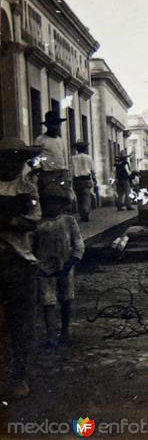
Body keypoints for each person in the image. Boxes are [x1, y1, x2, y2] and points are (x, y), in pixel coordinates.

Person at [0, 137, 43, 398]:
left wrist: (6, 220)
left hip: (20, 259)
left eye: (18, 158)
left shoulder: (28, 188)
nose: (13, 163)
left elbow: (32, 220)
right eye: (7, 158)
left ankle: (19, 375)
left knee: (22, 322)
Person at [35, 184, 84, 350]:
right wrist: (36, 265)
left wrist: (70, 264)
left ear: (62, 204)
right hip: (43, 268)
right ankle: (51, 337)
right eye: (48, 203)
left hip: (65, 266)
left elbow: (78, 245)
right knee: (48, 301)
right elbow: (31, 246)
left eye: (56, 203)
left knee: (66, 299)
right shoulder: (38, 224)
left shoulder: (69, 221)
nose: (52, 206)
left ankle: (65, 330)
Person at [33, 111, 71, 197]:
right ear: (47, 125)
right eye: (53, 124)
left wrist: (67, 175)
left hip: (61, 174)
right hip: (47, 176)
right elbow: (35, 158)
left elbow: (64, 158)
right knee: (50, 200)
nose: (56, 127)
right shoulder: (40, 140)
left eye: (58, 124)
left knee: (64, 201)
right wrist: (39, 172)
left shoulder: (60, 140)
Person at [71, 141, 95, 222]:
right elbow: (92, 170)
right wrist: (94, 179)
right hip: (86, 179)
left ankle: (82, 214)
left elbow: (71, 170)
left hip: (77, 180)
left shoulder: (73, 158)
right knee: (86, 197)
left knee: (79, 197)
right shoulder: (89, 158)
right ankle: (86, 213)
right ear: (85, 149)